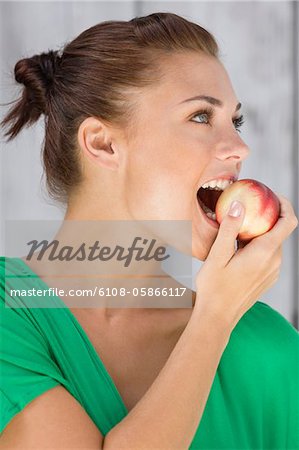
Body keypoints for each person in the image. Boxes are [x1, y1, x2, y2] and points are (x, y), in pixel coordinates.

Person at [0, 12, 298, 450]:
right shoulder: (12, 316)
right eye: (200, 117)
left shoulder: (270, 350)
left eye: (234, 121)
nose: (240, 148)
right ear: (102, 143)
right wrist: (213, 320)